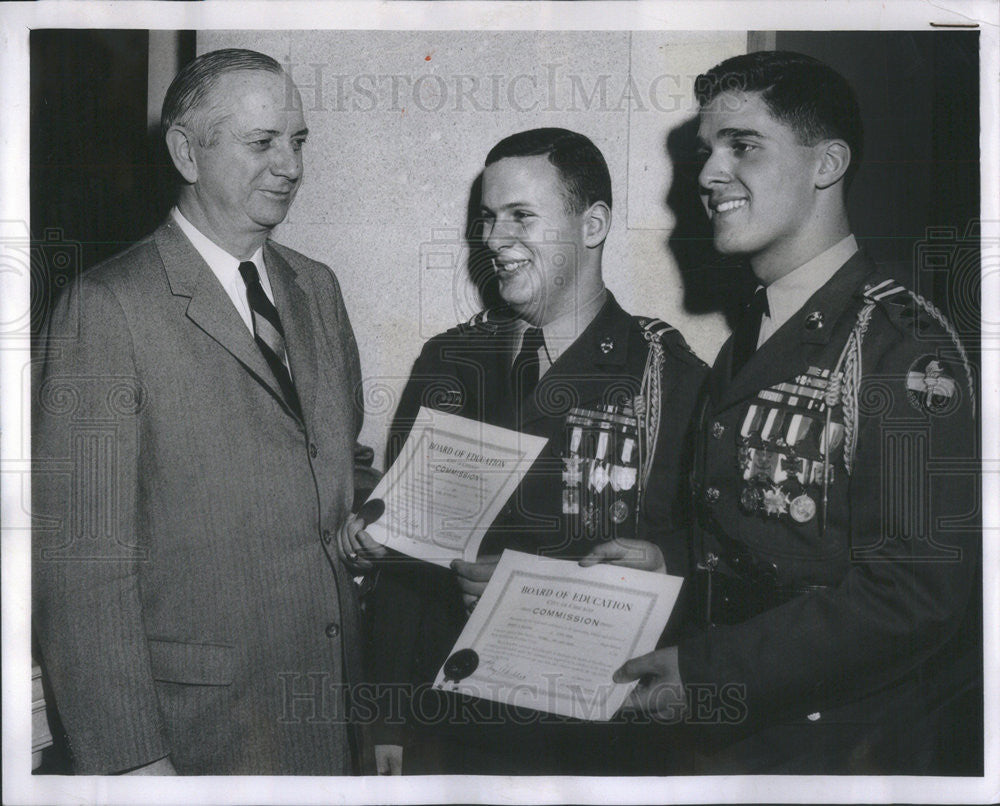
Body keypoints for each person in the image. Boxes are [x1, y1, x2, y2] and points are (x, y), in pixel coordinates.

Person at [613, 51, 981, 774]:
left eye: (743, 145)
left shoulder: (900, 346)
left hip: (838, 748)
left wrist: (710, 672)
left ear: (826, 164)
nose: (710, 173)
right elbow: (764, 533)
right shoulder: (759, 329)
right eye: (706, 151)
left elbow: (913, 593)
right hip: (740, 740)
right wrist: (669, 561)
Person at [32, 49, 376, 775]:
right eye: (262, 143)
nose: (290, 165)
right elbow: (81, 566)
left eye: (298, 140)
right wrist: (130, 765)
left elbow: (322, 474)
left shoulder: (318, 289)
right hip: (197, 739)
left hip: (327, 717)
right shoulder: (107, 308)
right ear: (187, 152)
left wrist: (362, 530)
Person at [339, 128, 708, 774]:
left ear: (591, 225)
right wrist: (385, 721)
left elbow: (707, 556)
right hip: (453, 739)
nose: (493, 240)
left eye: (520, 217)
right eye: (488, 218)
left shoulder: (666, 377)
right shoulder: (452, 362)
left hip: (596, 745)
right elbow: (404, 577)